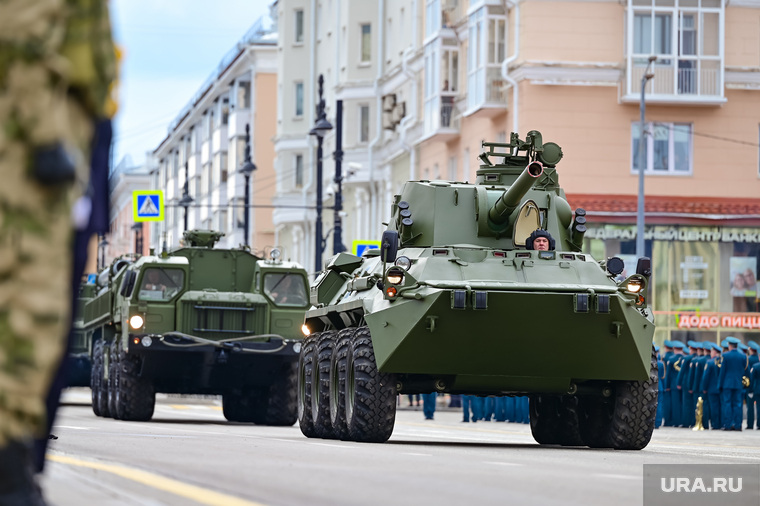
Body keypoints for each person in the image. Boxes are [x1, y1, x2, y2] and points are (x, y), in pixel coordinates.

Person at [0, 1, 117, 503]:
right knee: (32, 311)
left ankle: (20, 457)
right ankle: (9, 459)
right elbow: (20, 37)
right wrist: (48, 139)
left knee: (49, 313)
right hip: (38, 160)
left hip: (70, 146)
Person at [718, 336, 749, 431]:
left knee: (727, 404)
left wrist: (720, 384)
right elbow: (746, 372)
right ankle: (738, 425)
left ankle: (728, 424)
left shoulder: (725, 356)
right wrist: (747, 384)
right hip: (738, 384)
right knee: (738, 404)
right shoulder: (743, 356)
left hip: (727, 384)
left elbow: (722, 372)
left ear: (729, 345)